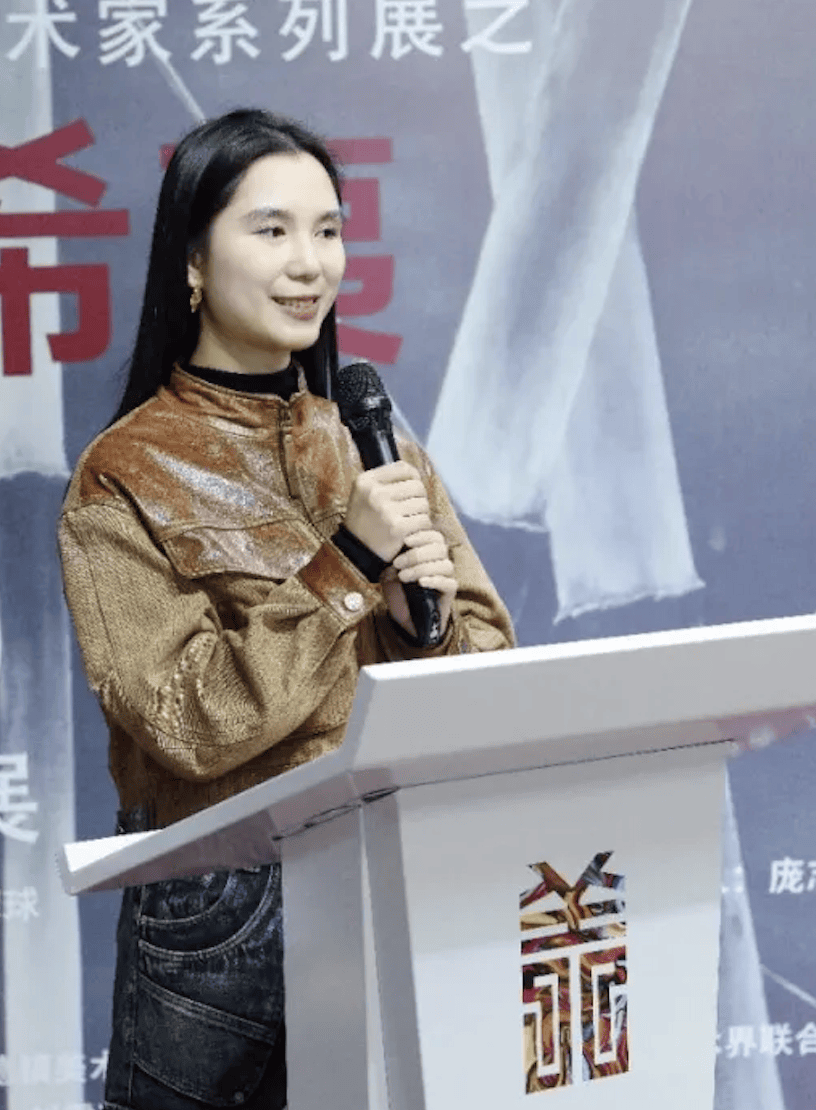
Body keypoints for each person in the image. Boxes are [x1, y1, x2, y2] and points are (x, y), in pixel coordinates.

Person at [57, 108, 515, 1110]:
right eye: (271, 230)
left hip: (398, 870)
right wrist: (346, 564)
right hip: (223, 913)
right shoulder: (124, 474)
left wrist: (419, 622)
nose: (310, 263)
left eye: (328, 230)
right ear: (191, 260)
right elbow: (185, 720)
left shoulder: (375, 448)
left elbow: (487, 676)